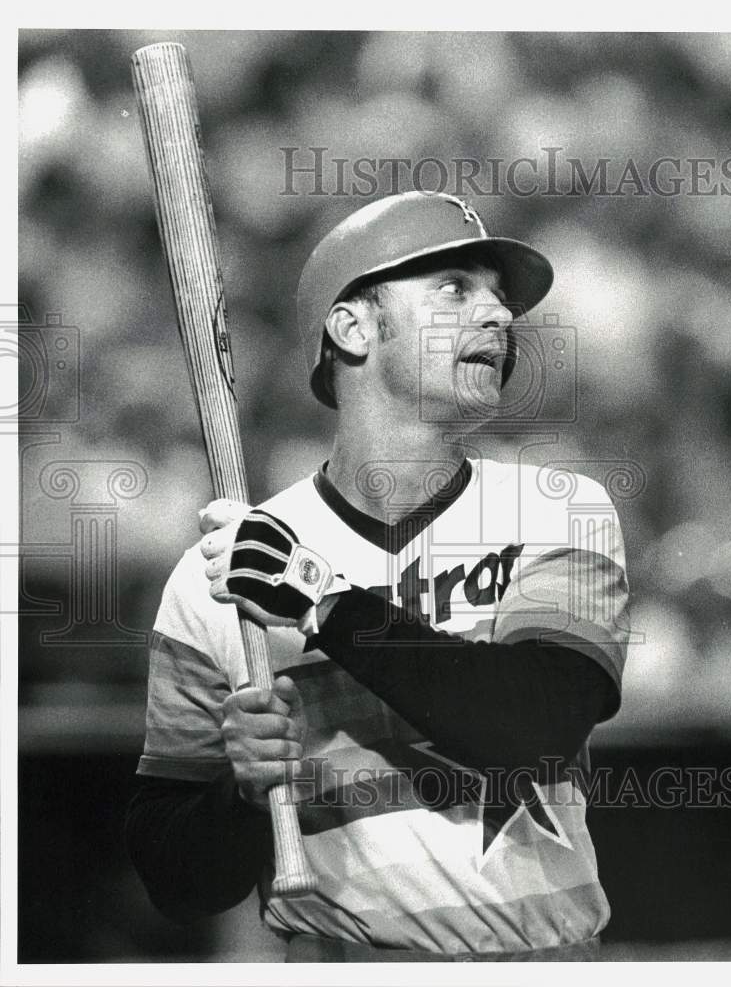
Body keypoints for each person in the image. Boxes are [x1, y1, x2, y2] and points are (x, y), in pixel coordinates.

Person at [125, 191, 630, 962]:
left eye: (499, 298)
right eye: (455, 289)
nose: (498, 317)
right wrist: (241, 789)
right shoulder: (220, 574)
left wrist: (323, 603)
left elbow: (536, 728)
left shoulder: (555, 506)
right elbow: (178, 881)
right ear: (351, 327)